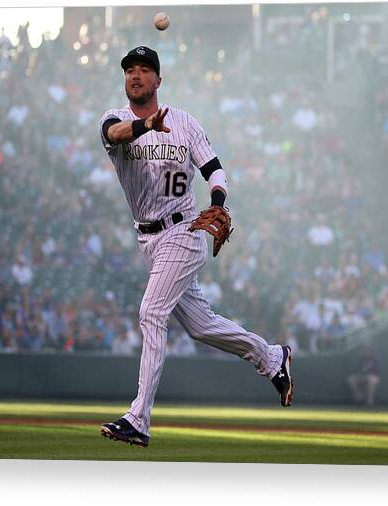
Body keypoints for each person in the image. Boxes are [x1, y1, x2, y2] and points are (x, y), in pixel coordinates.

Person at [98, 46, 294, 447]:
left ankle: (138, 419)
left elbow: (214, 169)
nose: (136, 75)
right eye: (130, 70)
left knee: (152, 312)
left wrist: (218, 203)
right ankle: (272, 357)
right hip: (149, 239)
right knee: (202, 326)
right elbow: (113, 136)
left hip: (184, 232)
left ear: (158, 80)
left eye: (144, 70)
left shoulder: (184, 123)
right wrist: (146, 125)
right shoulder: (114, 119)